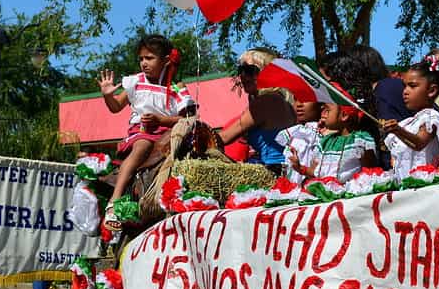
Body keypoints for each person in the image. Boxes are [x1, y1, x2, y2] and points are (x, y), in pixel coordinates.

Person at [97, 35, 194, 233]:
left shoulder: (177, 88)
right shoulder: (135, 82)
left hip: (169, 135)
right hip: (141, 132)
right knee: (143, 145)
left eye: (149, 58)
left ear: (166, 61)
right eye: (141, 58)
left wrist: (162, 120)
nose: (143, 63)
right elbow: (115, 107)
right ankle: (114, 203)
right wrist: (108, 96)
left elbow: (190, 119)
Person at [217, 49, 292, 175]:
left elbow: (223, 138)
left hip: (275, 174)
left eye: (249, 71)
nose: (243, 76)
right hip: (283, 170)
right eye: (241, 70)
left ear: (266, 72)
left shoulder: (265, 101)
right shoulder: (279, 98)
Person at [382, 59, 439, 180]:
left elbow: (419, 143)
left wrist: (398, 131)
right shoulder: (406, 123)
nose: (405, 91)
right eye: (404, 86)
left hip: (425, 188)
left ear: (432, 90)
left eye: (412, 86)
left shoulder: (432, 117)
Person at [290, 102, 378, 183]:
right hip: (326, 192)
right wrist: (300, 168)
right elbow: (315, 172)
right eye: (323, 110)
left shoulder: (359, 140)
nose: (323, 114)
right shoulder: (325, 141)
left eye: (327, 110)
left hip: (351, 194)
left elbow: (370, 171)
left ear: (344, 115)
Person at [275, 98, 324, 186]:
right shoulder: (296, 131)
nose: (299, 104)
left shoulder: (322, 135)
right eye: (296, 99)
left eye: (305, 99)